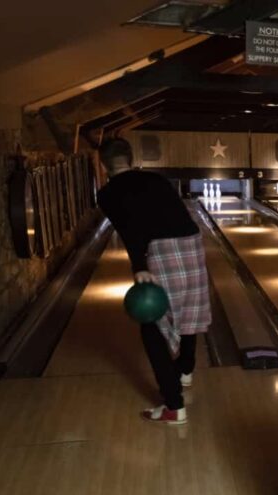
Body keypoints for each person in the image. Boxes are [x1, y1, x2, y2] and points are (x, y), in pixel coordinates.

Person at [96, 137, 211, 425]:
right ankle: (185, 370)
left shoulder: (107, 194)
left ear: (103, 164)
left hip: (160, 249)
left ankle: (174, 406)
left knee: (151, 323)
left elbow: (129, 228)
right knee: (188, 310)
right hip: (192, 243)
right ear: (131, 158)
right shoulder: (157, 179)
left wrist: (139, 266)